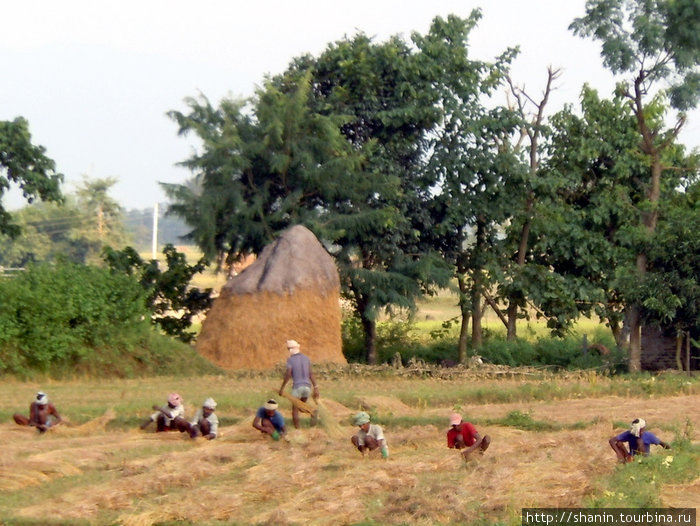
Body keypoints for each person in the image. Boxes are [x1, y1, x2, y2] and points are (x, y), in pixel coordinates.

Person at [278, 339, 319, 429]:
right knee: (302, 406)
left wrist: (282, 388)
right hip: (307, 387)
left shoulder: (290, 360)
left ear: (290, 350)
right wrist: (316, 387)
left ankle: (297, 429)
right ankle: (312, 411)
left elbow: (288, 374)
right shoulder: (306, 358)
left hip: (297, 387)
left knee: (295, 410)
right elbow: (310, 373)